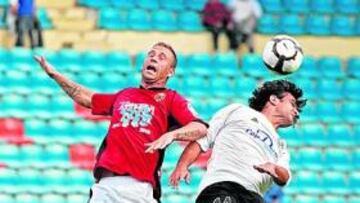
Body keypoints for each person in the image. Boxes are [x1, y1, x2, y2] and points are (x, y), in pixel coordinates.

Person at [34, 42, 208, 203]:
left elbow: (201, 128)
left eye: (162, 57)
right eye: (151, 54)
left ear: (170, 71)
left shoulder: (171, 99)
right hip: (105, 186)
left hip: (138, 190)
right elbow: (85, 96)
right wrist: (55, 75)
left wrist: (172, 135)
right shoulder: (124, 94)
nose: (154, 57)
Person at [169, 80, 306, 203]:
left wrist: (275, 168)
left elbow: (285, 177)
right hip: (223, 185)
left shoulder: (281, 146)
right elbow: (203, 139)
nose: (297, 112)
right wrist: (183, 165)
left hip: (255, 197)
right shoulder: (238, 111)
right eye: (292, 104)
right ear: (274, 99)